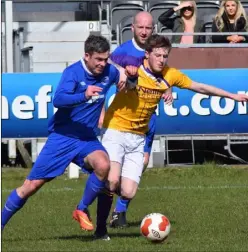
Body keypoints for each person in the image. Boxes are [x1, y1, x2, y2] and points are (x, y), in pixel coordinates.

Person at [95, 34, 248, 240]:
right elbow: (105, 66)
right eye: (157, 55)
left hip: (138, 136)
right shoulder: (133, 69)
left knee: (128, 192)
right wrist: (122, 74)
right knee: (112, 181)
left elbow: (200, 87)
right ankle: (98, 224)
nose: (161, 59)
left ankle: (101, 182)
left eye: (165, 56)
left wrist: (232, 96)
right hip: (115, 129)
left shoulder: (170, 75)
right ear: (147, 54)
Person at [1, 35, 121, 236]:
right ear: (87, 56)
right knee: (31, 186)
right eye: (98, 59)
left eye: (105, 59)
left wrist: (127, 78)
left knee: (104, 166)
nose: (102, 64)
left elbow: (123, 75)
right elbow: (58, 100)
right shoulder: (73, 73)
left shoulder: (110, 71)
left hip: (86, 137)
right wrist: (83, 95)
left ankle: (88, 217)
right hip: (63, 136)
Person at [99, 11, 173, 229]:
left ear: (153, 30)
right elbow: (104, 78)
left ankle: (119, 211)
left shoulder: (157, 50)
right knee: (114, 176)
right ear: (132, 28)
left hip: (148, 119)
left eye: (148, 28)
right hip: (123, 121)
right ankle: (108, 213)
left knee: (142, 164)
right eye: (140, 27)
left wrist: (167, 87)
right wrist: (100, 111)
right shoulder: (121, 53)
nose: (144, 31)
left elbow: (164, 74)